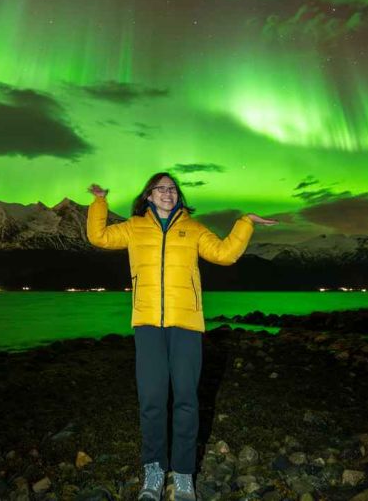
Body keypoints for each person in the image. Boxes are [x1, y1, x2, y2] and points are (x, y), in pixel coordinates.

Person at [86, 172, 276, 501]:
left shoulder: (194, 229)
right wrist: (100, 201)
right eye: (160, 188)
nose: (168, 193)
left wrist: (245, 222)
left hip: (187, 325)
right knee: (152, 400)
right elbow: (98, 237)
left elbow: (225, 254)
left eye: (172, 188)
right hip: (147, 324)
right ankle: (154, 471)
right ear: (148, 196)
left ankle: (184, 474)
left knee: (187, 400)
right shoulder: (133, 227)